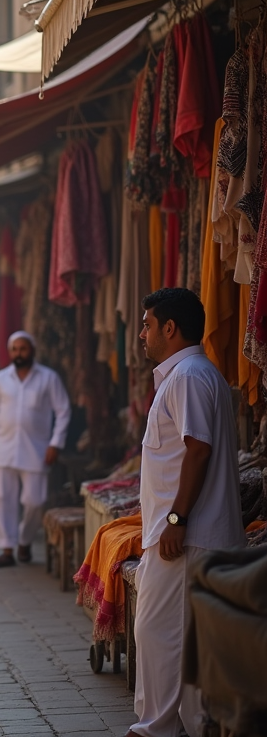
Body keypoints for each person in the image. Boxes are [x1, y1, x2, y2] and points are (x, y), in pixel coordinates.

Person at [128, 289, 243, 737]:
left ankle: (157, 728)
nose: (142, 334)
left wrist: (176, 519)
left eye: (147, 324)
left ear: (169, 329)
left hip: (187, 535)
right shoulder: (188, 375)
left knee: (157, 632)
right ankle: (190, 725)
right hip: (186, 534)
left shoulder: (189, 376)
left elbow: (197, 451)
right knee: (185, 637)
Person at [0, 331, 71, 568]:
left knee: (35, 500)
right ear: (10, 352)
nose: (19, 353)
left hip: (37, 449)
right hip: (3, 447)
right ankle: (7, 549)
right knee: (2, 499)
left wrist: (55, 443)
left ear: (32, 350)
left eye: (23, 348)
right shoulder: (0, 379)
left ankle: (25, 540)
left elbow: (63, 411)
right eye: (14, 349)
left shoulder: (48, 378)